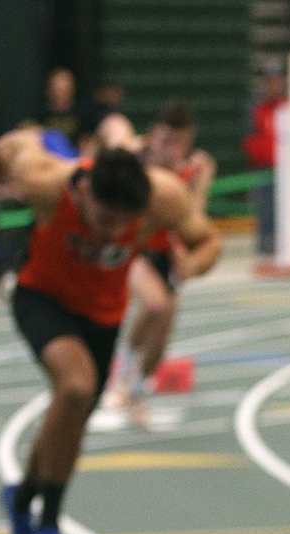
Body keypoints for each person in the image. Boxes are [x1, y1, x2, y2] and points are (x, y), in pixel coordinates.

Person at [0, 133, 221, 534]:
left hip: (103, 315)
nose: (112, 233)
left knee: (71, 415)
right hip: (43, 297)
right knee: (77, 387)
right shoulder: (46, 182)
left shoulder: (165, 196)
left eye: (124, 224)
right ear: (84, 194)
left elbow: (209, 241)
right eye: (104, 220)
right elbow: (4, 149)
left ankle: (22, 499)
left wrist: (190, 267)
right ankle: (49, 526)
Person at [102, 98, 215, 427]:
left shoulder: (196, 169)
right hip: (136, 247)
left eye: (179, 143)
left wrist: (189, 256)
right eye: (165, 141)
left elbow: (196, 218)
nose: (170, 150)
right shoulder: (135, 157)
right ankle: (119, 374)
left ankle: (136, 394)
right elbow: (112, 133)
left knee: (162, 336)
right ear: (154, 135)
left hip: (169, 252)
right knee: (155, 305)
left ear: (189, 141)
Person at [243, 67, 284, 258]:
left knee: (283, 208)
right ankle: (265, 244)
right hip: (263, 168)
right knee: (265, 207)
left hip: (284, 168)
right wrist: (259, 158)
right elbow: (250, 138)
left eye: (277, 81)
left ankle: (281, 243)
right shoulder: (257, 108)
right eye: (270, 81)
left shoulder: (288, 106)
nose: (274, 85)